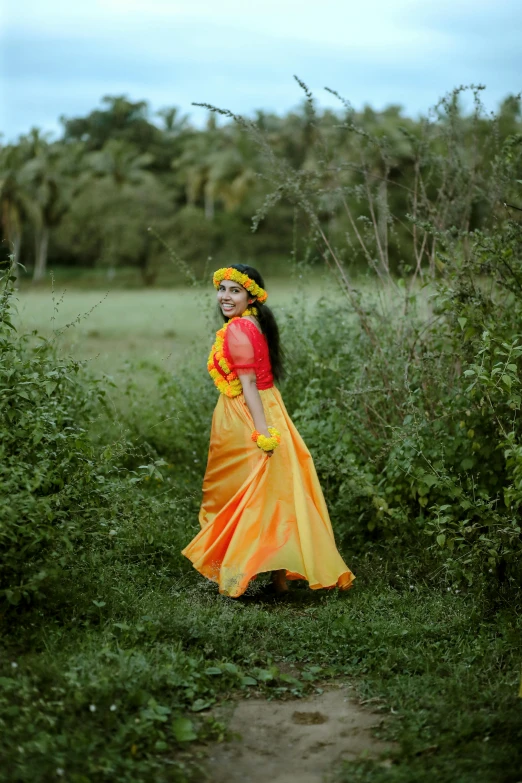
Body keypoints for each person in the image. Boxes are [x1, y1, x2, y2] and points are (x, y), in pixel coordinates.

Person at [182, 264, 355, 597]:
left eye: (235, 290)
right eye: (223, 289)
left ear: (251, 296)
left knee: (249, 493)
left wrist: (262, 434)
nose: (226, 296)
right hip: (267, 405)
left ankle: (237, 573)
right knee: (271, 491)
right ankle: (275, 575)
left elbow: (247, 383)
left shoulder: (238, 329)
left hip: (250, 414)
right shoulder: (250, 324)